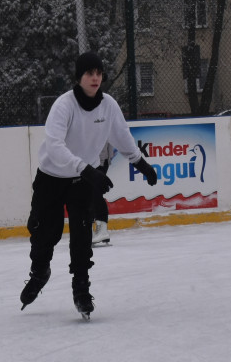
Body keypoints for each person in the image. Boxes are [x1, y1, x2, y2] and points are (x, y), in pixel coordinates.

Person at [19, 51, 158, 319]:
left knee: (82, 234)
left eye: (98, 73)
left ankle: (81, 289)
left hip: (82, 180)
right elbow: (55, 146)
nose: (95, 78)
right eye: (89, 73)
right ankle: (39, 274)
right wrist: (86, 169)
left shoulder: (108, 106)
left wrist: (140, 163)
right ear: (79, 77)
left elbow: (122, 136)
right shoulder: (64, 106)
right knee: (44, 232)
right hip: (51, 176)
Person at [91, 142, 114, 247]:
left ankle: (102, 230)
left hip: (99, 159)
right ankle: (89, 230)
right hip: (89, 159)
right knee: (88, 193)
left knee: (95, 192)